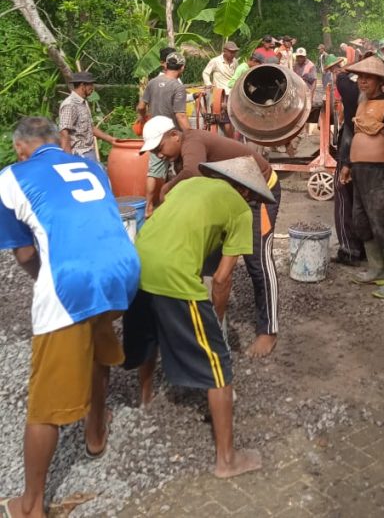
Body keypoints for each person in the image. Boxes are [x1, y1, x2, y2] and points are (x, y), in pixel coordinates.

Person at [0, 117, 139, 518]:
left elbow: (25, 255)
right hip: (123, 268)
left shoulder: (12, 176)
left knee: (45, 403)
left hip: (72, 281)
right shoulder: (90, 164)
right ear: (55, 142)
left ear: (22, 148)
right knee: (98, 342)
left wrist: (45, 281)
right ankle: (95, 433)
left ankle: (29, 506)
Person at [122, 156, 274, 479]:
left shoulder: (189, 184)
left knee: (149, 335)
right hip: (174, 274)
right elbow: (221, 279)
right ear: (247, 192)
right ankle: (227, 460)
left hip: (136, 263)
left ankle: (146, 399)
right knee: (219, 365)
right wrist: (215, 319)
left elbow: (171, 219)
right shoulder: (240, 209)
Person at [139, 118, 281, 358]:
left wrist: (166, 189)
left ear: (174, 135)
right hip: (230, 196)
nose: (159, 155)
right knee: (212, 256)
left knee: (258, 260)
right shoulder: (177, 154)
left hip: (259, 191)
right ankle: (209, 322)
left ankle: (269, 330)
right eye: (154, 152)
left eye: (159, 148)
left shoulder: (191, 141)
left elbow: (193, 172)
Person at [339, 54, 384, 298]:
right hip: (359, 172)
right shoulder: (362, 102)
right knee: (362, 221)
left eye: (368, 77)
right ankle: (377, 270)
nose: (362, 81)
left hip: (380, 173)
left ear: (379, 81)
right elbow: (355, 134)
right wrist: (346, 165)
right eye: (360, 77)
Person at [136, 51, 189, 215]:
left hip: (155, 134)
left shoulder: (152, 82)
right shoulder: (177, 87)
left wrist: (143, 119)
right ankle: (181, 203)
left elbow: (141, 106)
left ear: (166, 65)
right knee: (182, 168)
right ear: (182, 68)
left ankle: (149, 207)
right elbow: (180, 115)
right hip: (171, 136)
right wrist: (190, 134)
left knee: (153, 172)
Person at [332, 60, 366, 265]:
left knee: (345, 198)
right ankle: (367, 248)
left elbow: (341, 77)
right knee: (363, 203)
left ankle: (349, 250)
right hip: (373, 158)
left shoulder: (352, 92)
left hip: (351, 152)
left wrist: (350, 67)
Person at [58, 70, 116, 160]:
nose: (92, 87)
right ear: (82, 85)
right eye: (90, 85)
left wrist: (111, 139)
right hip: (78, 154)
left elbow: (90, 128)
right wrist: (68, 159)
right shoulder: (70, 104)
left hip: (88, 152)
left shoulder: (83, 102)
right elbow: (64, 133)